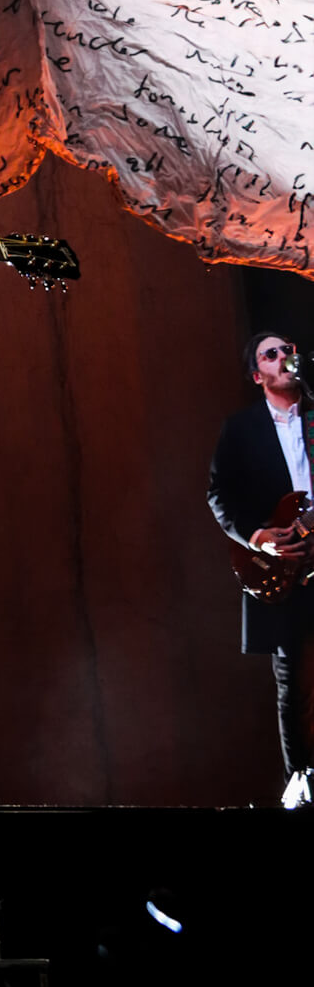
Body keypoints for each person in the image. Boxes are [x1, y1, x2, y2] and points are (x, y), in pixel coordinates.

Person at [209, 332, 314, 808]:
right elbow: (219, 495)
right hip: (282, 563)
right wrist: (257, 537)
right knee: (293, 677)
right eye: (270, 354)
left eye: (287, 348)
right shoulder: (241, 428)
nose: (283, 356)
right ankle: (302, 778)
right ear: (258, 376)